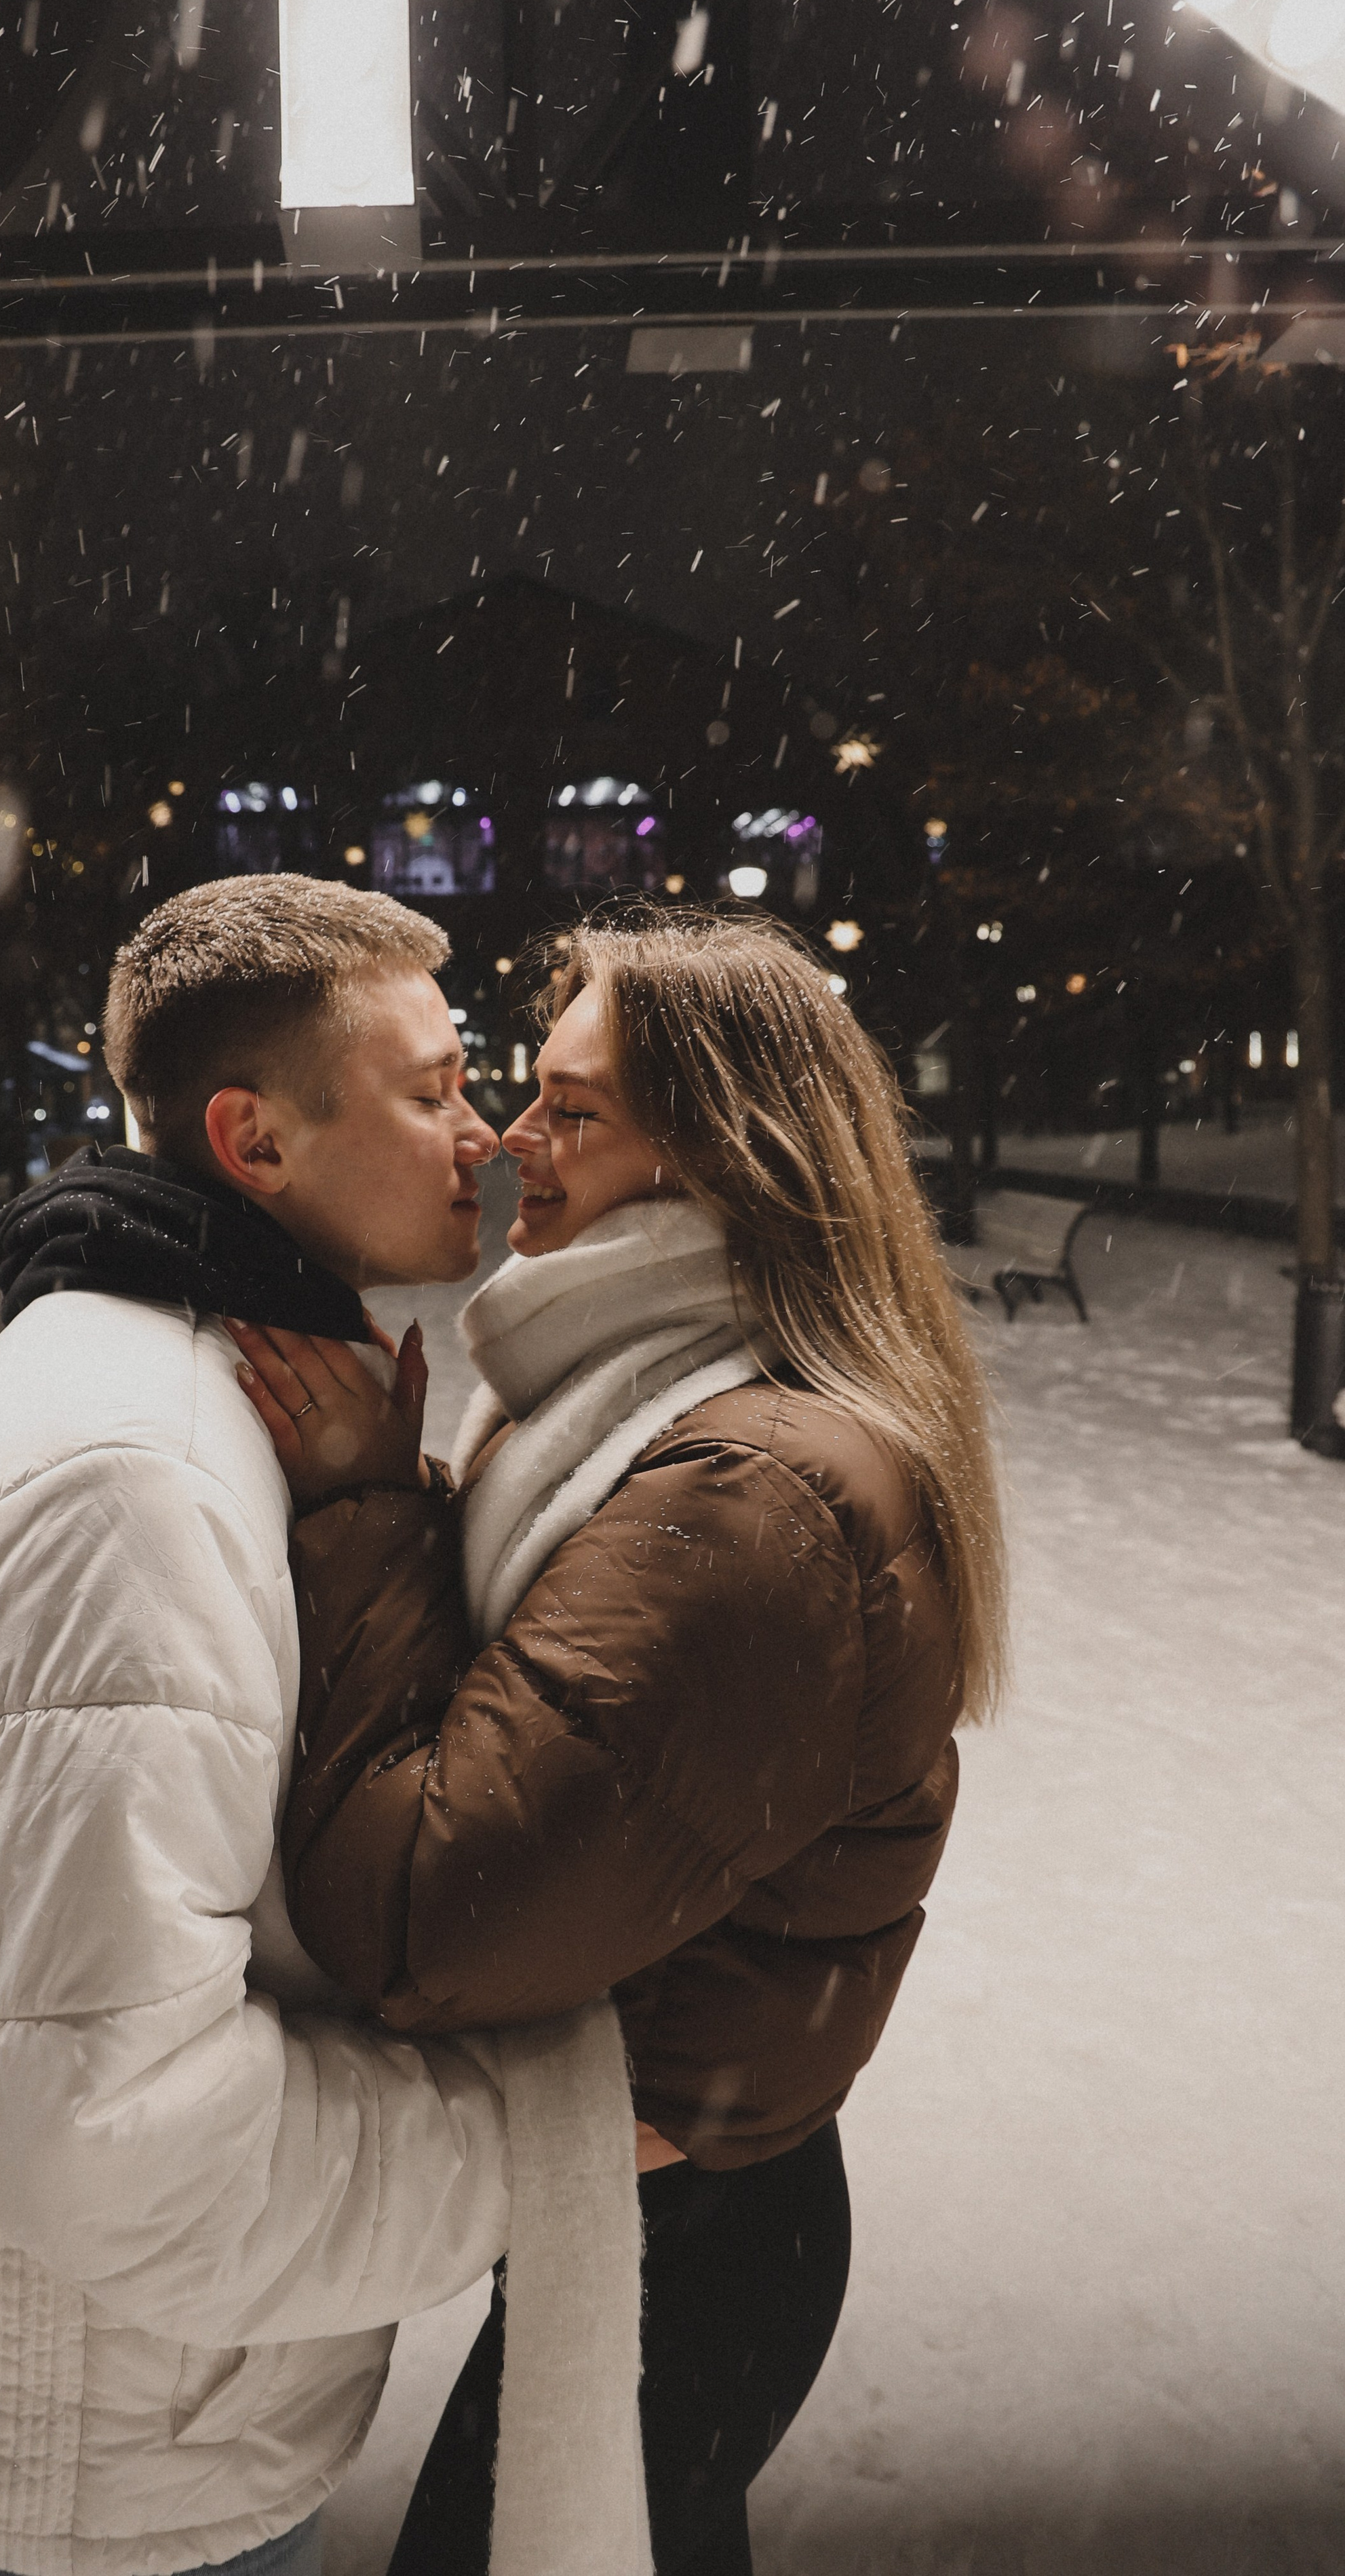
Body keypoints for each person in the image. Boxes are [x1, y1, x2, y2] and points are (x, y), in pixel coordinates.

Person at [0, 876, 524, 2576]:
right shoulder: (140, 1472)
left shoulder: (204, 1391)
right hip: (90, 2445)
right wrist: (528, 2141)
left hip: (114, 2396)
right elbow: (109, 2140)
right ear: (253, 1142)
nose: (486, 1132)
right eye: (432, 1089)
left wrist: (374, 1519)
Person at [229, 908, 1009, 2576]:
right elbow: (577, 1689)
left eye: (570, 1111)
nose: (514, 1141)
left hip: (690, 2239)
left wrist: (366, 1508)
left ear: (723, 1156)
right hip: (667, 2195)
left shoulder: (753, 1495)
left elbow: (426, 1913)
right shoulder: (656, 1398)